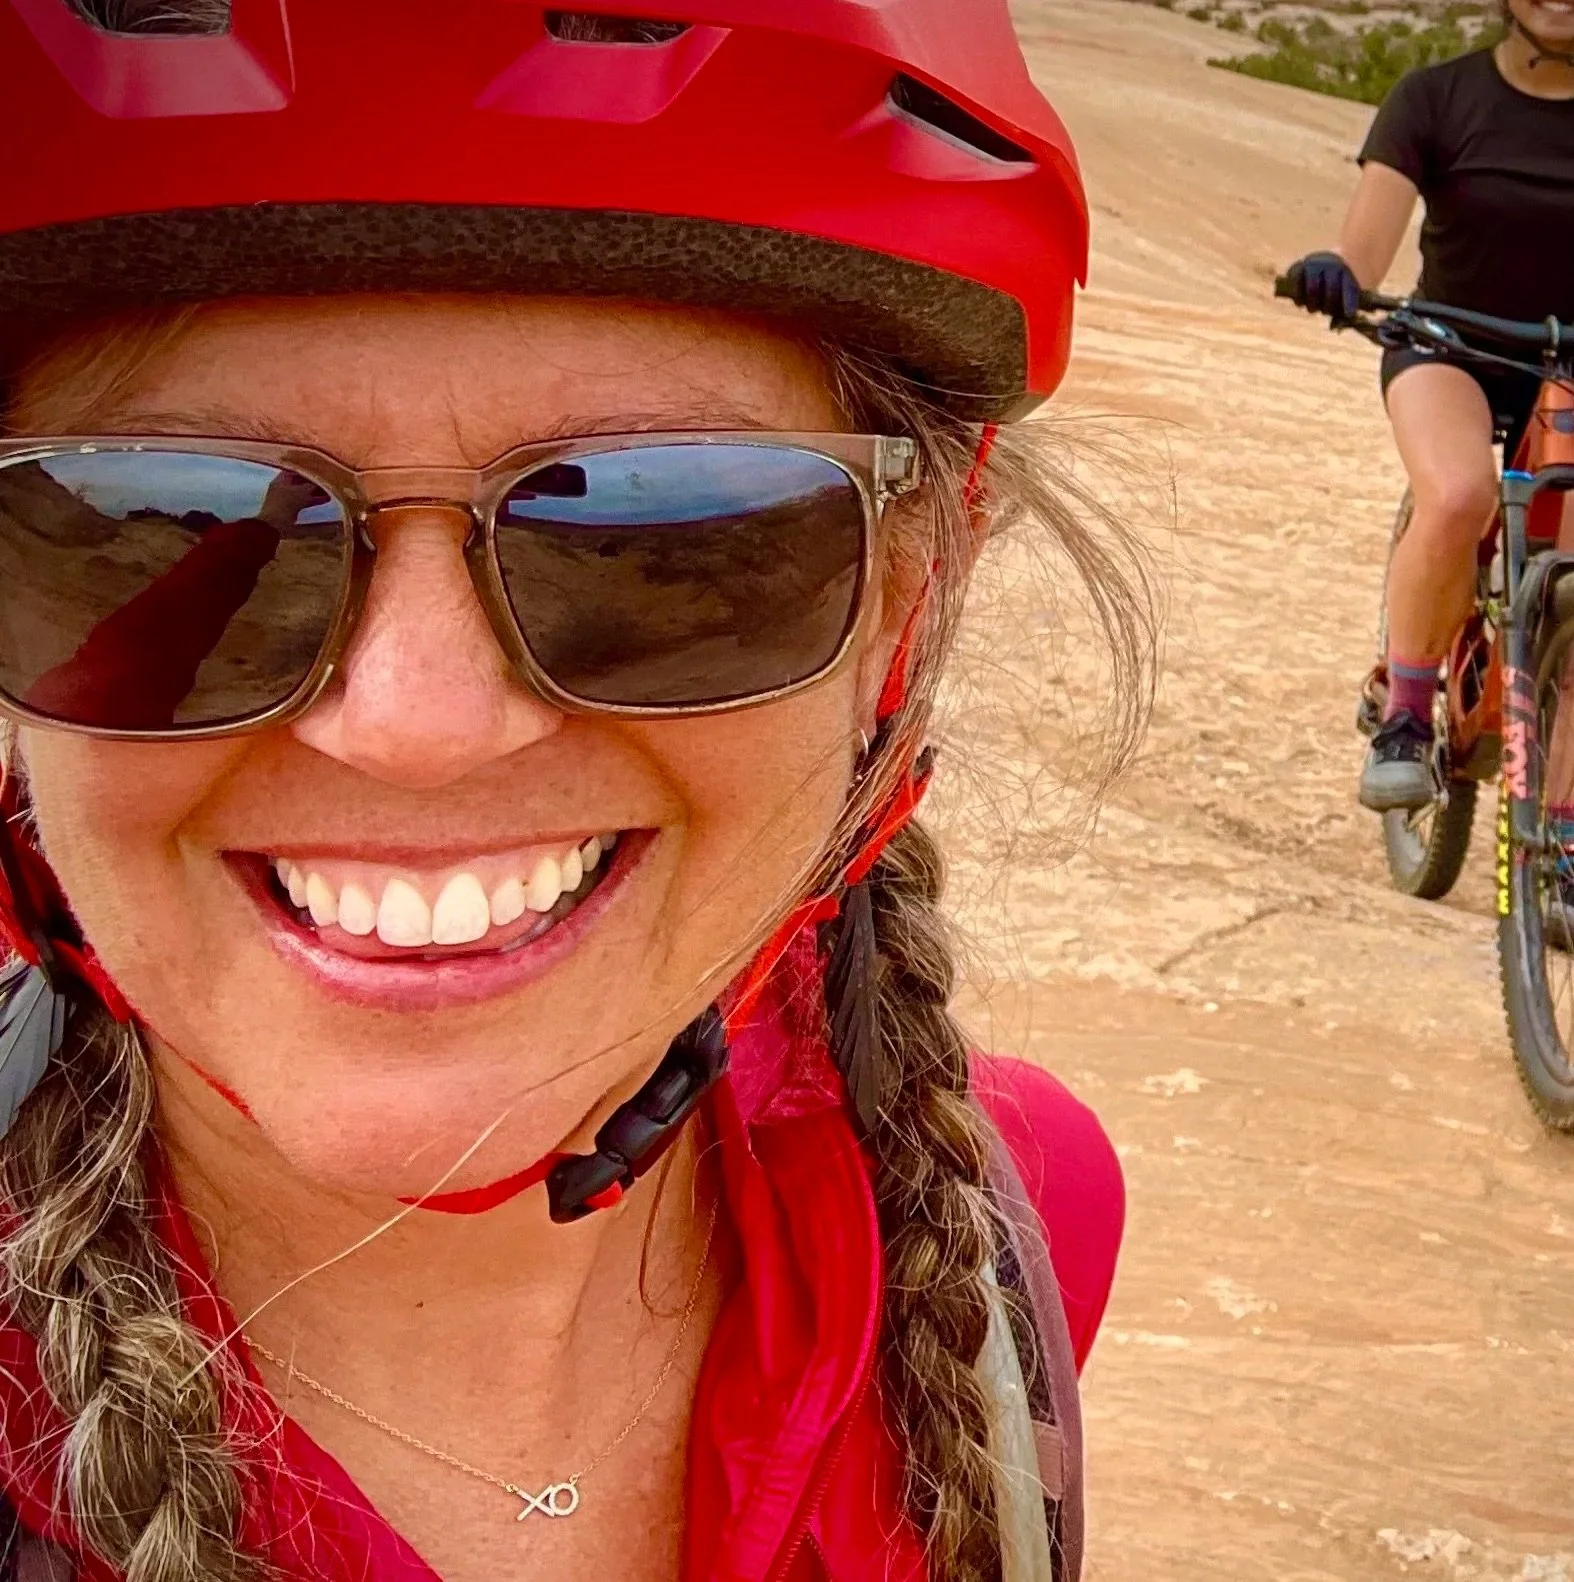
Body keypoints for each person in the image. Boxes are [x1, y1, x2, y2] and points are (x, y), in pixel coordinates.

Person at [0, 2, 1152, 1580]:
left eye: (655, 537)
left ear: (906, 604)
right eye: (166, 529)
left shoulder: (1011, 1223)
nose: (415, 727)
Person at [1284, 0, 1574, 814]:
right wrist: (1339, 272)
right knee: (1456, 495)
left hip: (1568, 365)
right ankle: (1406, 716)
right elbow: (1367, 246)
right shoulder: (1435, 97)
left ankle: (1563, 834)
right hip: (1449, 348)